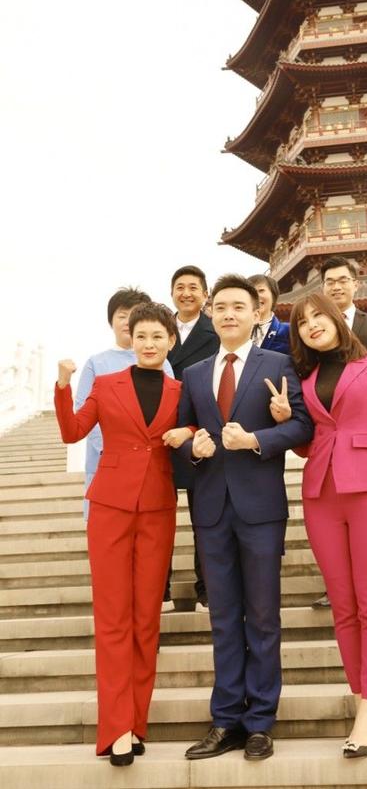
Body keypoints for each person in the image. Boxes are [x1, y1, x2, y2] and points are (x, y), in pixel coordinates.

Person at [177, 274, 313, 762]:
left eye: (239, 306)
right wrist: (192, 449)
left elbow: (303, 426)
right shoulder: (194, 374)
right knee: (222, 619)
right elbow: (182, 435)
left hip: (260, 510)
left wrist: (259, 438)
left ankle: (259, 722)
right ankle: (225, 720)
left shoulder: (278, 364)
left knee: (262, 616)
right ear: (211, 315)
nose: (229, 314)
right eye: (221, 307)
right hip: (211, 509)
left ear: (258, 313)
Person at [54, 302, 193, 766]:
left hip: (157, 507)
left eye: (158, 336)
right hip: (110, 507)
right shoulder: (106, 383)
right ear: (130, 339)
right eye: (141, 336)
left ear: (171, 341)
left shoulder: (180, 389)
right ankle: (115, 729)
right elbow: (73, 432)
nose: (149, 344)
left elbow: (196, 427)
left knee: (146, 620)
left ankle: (136, 722)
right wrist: (63, 386)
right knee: (113, 618)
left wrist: (188, 431)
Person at [277, 292, 367, 758]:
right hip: (321, 494)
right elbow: (310, 442)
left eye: (318, 316)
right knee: (343, 606)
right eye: (302, 322)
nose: (312, 325)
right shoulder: (305, 377)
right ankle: (359, 695)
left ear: (336, 318)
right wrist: (285, 418)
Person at [312, 256, 367, 609]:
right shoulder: (314, 330)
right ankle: (336, 587)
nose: (336, 286)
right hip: (328, 447)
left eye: (343, 280)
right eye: (329, 281)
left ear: (356, 284)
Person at [75, 287, 174, 521]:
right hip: (107, 464)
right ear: (111, 321)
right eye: (122, 315)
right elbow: (83, 410)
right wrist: (110, 450)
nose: (128, 321)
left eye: (134, 314)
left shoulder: (163, 363)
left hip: (151, 468)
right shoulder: (96, 363)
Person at [163, 265, 219, 612]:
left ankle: (207, 590)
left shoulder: (215, 331)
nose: (186, 293)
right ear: (171, 293)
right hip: (162, 434)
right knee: (159, 520)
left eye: (193, 287)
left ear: (205, 294)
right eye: (180, 287)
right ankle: (161, 590)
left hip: (201, 431)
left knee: (205, 519)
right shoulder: (158, 329)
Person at [248, 274, 290, 353]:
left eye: (261, 290)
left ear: (273, 295)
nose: (256, 296)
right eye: (251, 292)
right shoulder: (238, 334)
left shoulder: (288, 331)